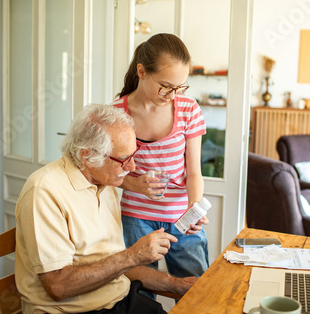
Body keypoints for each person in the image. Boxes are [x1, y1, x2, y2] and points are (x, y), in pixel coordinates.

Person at [15, 104, 197, 314]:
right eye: (123, 160)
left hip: (117, 299)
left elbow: (114, 263)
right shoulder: (45, 190)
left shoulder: (105, 182)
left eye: (133, 154)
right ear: (86, 156)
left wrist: (175, 284)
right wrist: (132, 256)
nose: (132, 168)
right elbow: (59, 286)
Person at [111, 33, 209, 289]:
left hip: (182, 219)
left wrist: (194, 208)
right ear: (142, 72)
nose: (172, 95)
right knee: (139, 295)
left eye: (180, 87)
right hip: (135, 219)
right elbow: (106, 173)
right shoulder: (115, 114)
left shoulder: (188, 109)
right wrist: (136, 186)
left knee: (196, 291)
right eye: (165, 86)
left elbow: (194, 172)